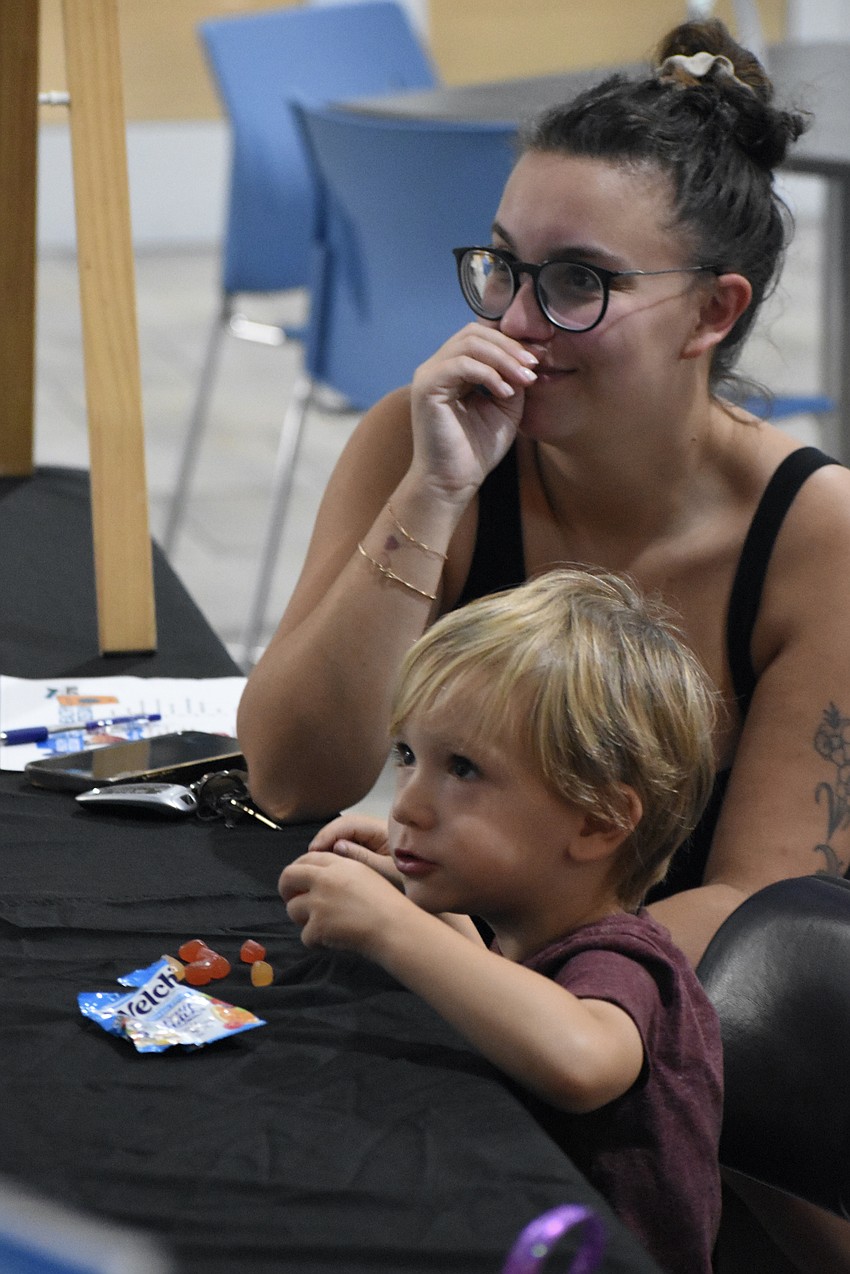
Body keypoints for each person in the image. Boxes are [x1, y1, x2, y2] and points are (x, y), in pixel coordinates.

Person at [241, 19, 850, 1266]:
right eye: (503, 267)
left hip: (682, 1082)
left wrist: (483, 951)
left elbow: (755, 911)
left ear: (711, 312)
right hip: (495, 990)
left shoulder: (817, 535)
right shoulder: (427, 445)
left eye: (579, 282)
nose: (518, 320)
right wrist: (428, 497)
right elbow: (290, 776)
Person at [280, 568, 722, 1274]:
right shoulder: (525, 931)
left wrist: (392, 929)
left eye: (462, 770)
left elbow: (580, 1060)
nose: (406, 807)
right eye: (407, 756)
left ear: (599, 821)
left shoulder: (624, 964)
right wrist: (414, 894)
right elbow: (499, 989)